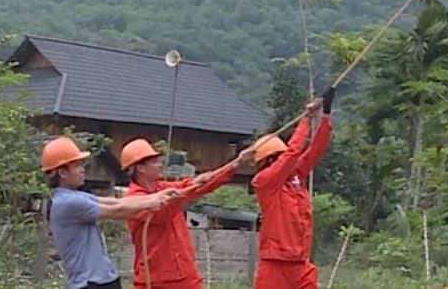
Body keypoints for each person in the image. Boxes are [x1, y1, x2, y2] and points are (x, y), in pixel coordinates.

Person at [41, 136, 180, 289]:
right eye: (77, 165)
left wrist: (157, 196)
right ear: (62, 172)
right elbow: (117, 211)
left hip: (103, 281)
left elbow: (117, 202)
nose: (82, 169)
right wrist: (150, 202)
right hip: (89, 284)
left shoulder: (75, 196)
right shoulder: (67, 202)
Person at [120, 138, 257, 289]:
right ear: (140, 168)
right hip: (156, 281)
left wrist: (236, 163)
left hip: (186, 276)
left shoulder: (164, 188)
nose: (160, 165)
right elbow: (162, 214)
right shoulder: (133, 200)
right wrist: (186, 191)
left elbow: (196, 187)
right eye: (155, 162)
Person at [252, 91, 334, 289]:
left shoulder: (296, 176)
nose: (286, 159)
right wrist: (306, 119)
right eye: (279, 156)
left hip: (300, 263)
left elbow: (316, 148)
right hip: (274, 267)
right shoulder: (264, 182)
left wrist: (326, 115)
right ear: (269, 161)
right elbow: (292, 153)